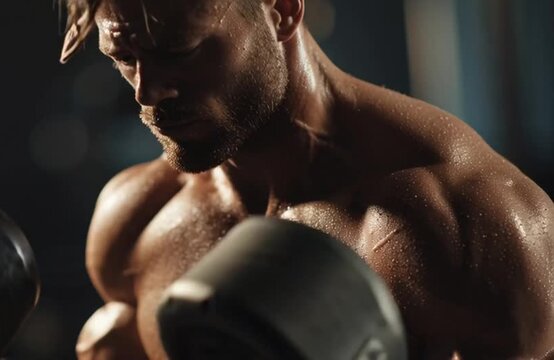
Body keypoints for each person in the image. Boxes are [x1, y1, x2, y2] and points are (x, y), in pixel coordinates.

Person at [63, 0, 554, 359]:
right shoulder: (135, 219)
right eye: (124, 58)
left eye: (180, 50)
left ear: (281, 10)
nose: (148, 92)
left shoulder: (463, 220)